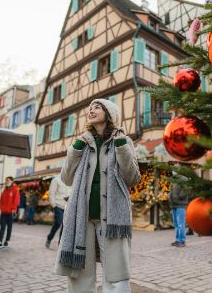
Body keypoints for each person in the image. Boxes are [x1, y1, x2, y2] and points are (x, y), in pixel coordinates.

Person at [54, 99, 141, 293]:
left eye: (97, 107)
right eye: (90, 108)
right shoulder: (82, 144)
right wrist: (75, 148)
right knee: (80, 272)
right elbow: (67, 178)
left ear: (109, 113)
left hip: (112, 219)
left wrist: (120, 146)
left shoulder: (123, 141)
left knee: (115, 271)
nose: (91, 110)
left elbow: (133, 178)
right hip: (81, 217)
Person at [0, 176, 20, 248]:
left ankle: (7, 241)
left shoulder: (15, 190)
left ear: (12, 181)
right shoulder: (5, 190)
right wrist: (1, 207)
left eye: (8, 180)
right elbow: (1, 200)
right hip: (4, 212)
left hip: (11, 212)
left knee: (9, 227)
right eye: (6, 180)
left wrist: (13, 209)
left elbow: (16, 200)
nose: (6, 181)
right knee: (2, 227)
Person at [46, 170, 71, 249]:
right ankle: (49, 238)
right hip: (58, 205)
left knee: (65, 226)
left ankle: (61, 244)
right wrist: (53, 205)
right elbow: (52, 193)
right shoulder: (56, 180)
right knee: (58, 222)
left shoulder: (71, 180)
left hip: (68, 207)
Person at [169, 175, 192, 247]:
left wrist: (179, 197)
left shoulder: (184, 179)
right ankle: (178, 240)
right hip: (174, 205)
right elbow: (172, 192)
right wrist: (169, 198)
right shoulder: (173, 180)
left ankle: (182, 241)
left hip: (181, 205)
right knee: (176, 224)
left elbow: (186, 190)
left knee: (181, 224)